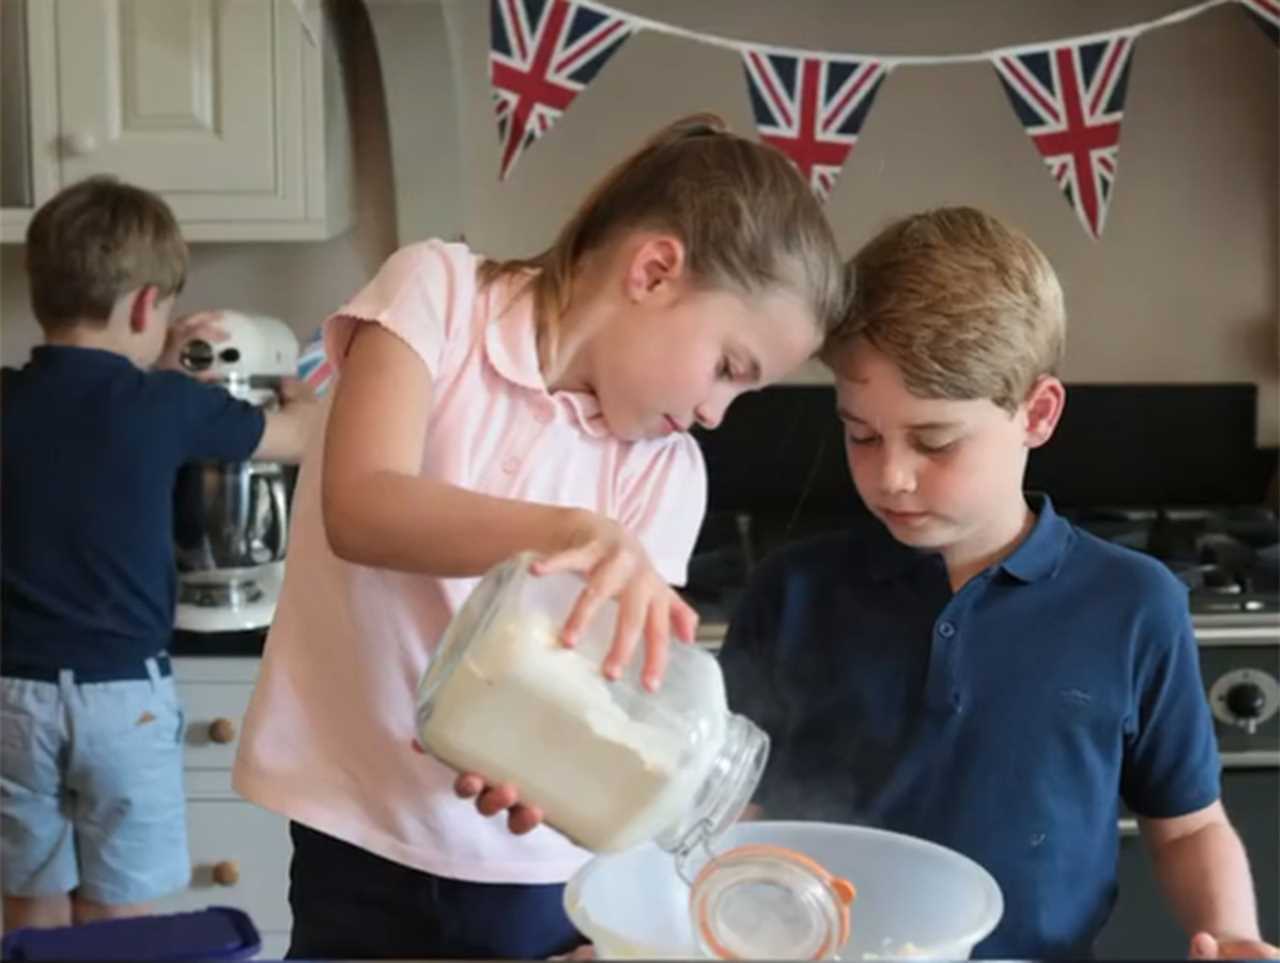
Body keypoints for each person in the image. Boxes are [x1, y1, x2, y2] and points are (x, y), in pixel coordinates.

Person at [230, 112, 847, 959]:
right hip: (356, 830)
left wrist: (539, 763)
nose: (715, 412)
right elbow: (362, 506)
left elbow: (610, 688)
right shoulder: (436, 295)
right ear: (656, 271)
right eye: (729, 368)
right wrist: (574, 532)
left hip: (531, 878)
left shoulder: (667, 472)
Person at [718, 206, 1279, 960]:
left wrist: (1233, 932)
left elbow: (1189, 827)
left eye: (935, 439)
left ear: (1037, 414)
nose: (891, 474)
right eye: (861, 433)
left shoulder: (1133, 605)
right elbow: (723, 814)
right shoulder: (791, 593)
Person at [1, 176, 316, 932]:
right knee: (119, 909)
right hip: (123, 701)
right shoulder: (167, 405)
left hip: (12, 694)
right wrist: (296, 390)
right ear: (148, 307)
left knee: (27, 901)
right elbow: (302, 436)